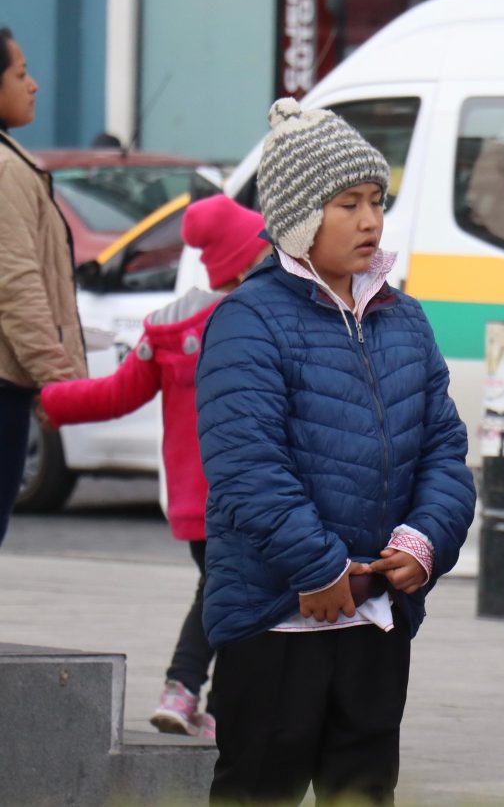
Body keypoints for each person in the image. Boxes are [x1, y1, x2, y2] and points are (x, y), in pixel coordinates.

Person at [195, 97, 475, 805]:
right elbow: (245, 467)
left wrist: (422, 544)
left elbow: (444, 449)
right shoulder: (248, 321)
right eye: (347, 203)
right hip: (276, 615)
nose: (371, 219)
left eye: (376, 199)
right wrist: (319, 569)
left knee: (363, 791)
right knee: (260, 788)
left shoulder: (403, 319)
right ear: (296, 216)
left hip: (376, 616)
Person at [38, 194, 271, 739]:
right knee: (243, 601)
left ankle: (183, 691)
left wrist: (51, 402)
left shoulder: (168, 327)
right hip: (247, 494)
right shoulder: (255, 317)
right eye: (261, 250)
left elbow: (118, 394)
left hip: (193, 502)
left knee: (217, 590)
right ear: (240, 262)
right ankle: (212, 702)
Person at [0, 26, 86, 545]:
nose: (33, 85)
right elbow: (14, 283)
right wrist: (59, 381)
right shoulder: (6, 170)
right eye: (20, 73)